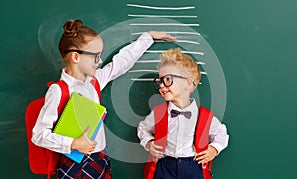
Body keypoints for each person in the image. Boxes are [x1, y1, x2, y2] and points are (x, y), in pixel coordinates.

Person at [31, 19, 176, 179]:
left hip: (99, 158)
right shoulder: (58, 90)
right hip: (73, 163)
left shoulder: (94, 82)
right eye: (95, 57)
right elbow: (38, 135)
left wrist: (147, 37)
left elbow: (120, 63)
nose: (99, 62)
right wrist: (73, 143)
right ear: (76, 57)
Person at [137, 48, 229, 179]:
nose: (162, 86)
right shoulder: (158, 113)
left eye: (167, 80)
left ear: (188, 82)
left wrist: (214, 149)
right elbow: (143, 128)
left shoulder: (203, 116)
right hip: (164, 165)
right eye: (159, 81)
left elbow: (221, 133)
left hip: (193, 166)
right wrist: (149, 143)